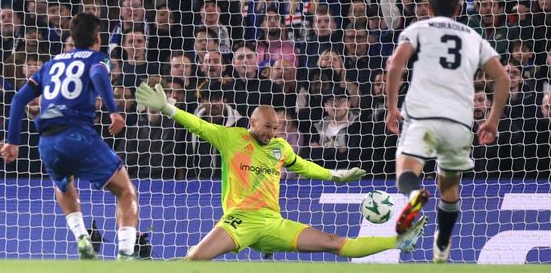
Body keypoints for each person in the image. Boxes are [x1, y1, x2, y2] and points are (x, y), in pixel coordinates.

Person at [135, 83, 427, 260]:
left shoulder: (281, 148)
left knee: (333, 243)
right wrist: (168, 109)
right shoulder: (231, 138)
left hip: (273, 223)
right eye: (267, 127)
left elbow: (305, 167)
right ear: (252, 122)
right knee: (196, 260)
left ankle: (400, 240)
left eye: (276, 128)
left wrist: (337, 175)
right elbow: (199, 125)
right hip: (240, 220)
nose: (273, 133)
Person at [385, 0, 510, 263]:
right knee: (449, 189)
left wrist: (392, 108)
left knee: (407, 170)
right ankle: (442, 243)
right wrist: (492, 121)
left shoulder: (418, 28)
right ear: (458, 10)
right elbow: (502, 78)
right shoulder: (473, 36)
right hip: (458, 122)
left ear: (427, 8)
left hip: (422, 116)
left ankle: (415, 195)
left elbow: (395, 65)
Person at [1, 13, 139, 260]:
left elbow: (18, 99)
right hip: (78, 135)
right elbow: (98, 75)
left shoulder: (50, 64)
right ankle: (126, 255)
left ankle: (81, 238)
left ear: (72, 38)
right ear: (98, 37)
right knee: (125, 191)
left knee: (63, 184)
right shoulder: (98, 58)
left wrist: (12, 141)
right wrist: (114, 112)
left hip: (47, 142)